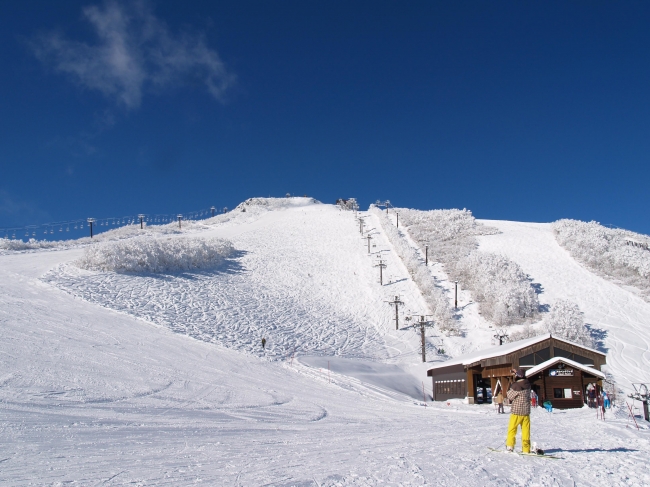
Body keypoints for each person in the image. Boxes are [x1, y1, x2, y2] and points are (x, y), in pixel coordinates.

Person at [506, 368, 532, 454]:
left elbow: (509, 396)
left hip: (517, 411)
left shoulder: (516, 385)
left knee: (512, 429)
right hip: (526, 412)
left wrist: (511, 385)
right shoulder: (528, 383)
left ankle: (510, 446)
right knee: (526, 431)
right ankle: (526, 448)